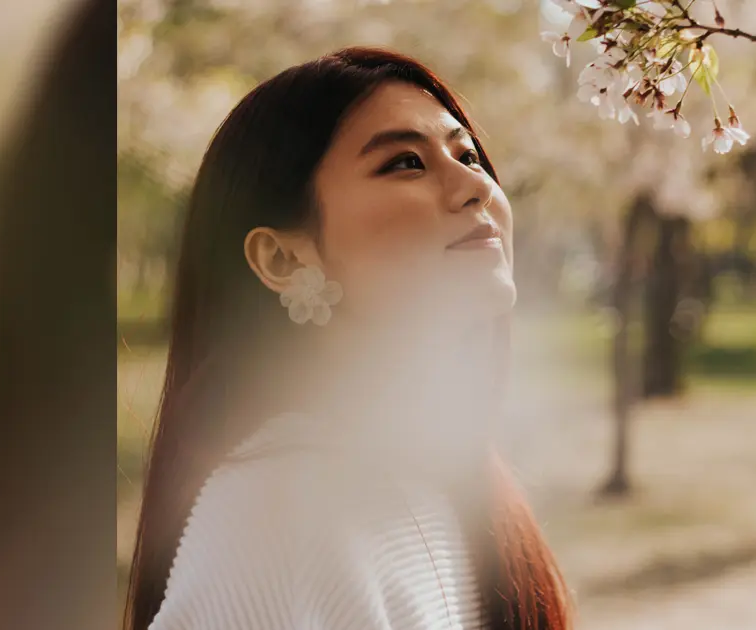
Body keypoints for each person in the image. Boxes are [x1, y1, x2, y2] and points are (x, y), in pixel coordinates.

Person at [123, 47, 572, 630]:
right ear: (283, 258)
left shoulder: (442, 472)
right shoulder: (277, 523)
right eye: (406, 162)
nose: (475, 187)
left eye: (468, 154)